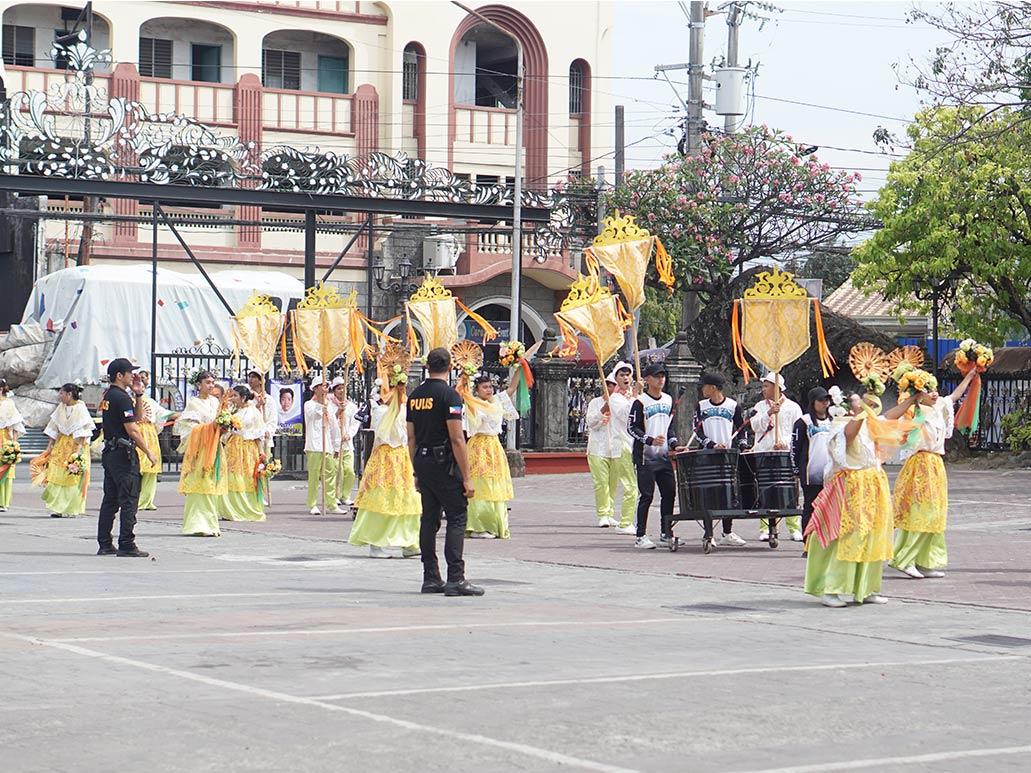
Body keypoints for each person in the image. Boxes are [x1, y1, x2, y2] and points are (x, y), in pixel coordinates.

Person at [804, 389, 919, 607]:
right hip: (851, 486)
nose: (865, 405)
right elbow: (849, 435)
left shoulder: (870, 422)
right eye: (858, 402)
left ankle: (868, 588)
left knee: (874, 534)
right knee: (849, 536)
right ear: (847, 406)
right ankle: (832, 588)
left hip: (874, 483)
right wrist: (862, 412)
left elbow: (891, 415)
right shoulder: (840, 423)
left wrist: (913, 398)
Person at [407, 347, 483, 596]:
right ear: (450, 366)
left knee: (429, 519)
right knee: (457, 515)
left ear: (427, 366)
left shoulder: (415, 396)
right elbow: (457, 438)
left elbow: (411, 438)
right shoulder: (450, 396)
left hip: (422, 460)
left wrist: (415, 471)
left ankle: (430, 577)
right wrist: (468, 477)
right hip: (444, 462)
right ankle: (456, 578)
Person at [890, 369, 977, 580]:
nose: (934, 393)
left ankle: (925, 561)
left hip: (935, 464)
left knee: (936, 513)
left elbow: (955, 395)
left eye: (935, 389)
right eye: (928, 390)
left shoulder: (938, 407)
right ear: (919, 393)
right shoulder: (912, 411)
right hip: (920, 465)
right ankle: (905, 559)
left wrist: (970, 376)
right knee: (921, 513)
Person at [348, 359, 421, 558]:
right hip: (384, 459)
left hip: (402, 458)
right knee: (381, 500)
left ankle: (409, 542)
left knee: (406, 499)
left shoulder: (405, 408)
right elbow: (387, 430)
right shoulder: (377, 409)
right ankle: (376, 543)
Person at [97, 359, 157, 557]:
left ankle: (105, 543)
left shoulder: (112, 395)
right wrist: (148, 451)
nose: (134, 376)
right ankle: (126, 544)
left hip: (112, 453)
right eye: (130, 373)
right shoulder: (120, 397)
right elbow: (132, 429)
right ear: (119, 376)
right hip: (123, 455)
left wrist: (138, 394)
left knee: (111, 499)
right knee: (129, 499)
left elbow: (137, 418)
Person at [627, 362, 679, 550]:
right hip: (645, 457)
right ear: (647, 379)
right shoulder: (640, 402)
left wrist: (673, 443)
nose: (661, 379)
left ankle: (666, 533)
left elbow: (670, 427)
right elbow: (631, 428)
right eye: (657, 376)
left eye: (663, 376)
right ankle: (640, 535)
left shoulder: (668, 400)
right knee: (647, 496)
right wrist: (648, 440)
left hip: (664, 456)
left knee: (669, 493)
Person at [462, 373, 519, 539]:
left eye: (490, 387)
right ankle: (479, 525)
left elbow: (512, 388)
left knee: (494, 483)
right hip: (478, 446)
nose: (488, 390)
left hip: (494, 446)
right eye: (484, 387)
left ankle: (495, 524)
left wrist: (519, 366)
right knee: (480, 483)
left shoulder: (497, 401)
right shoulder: (473, 404)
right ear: (477, 390)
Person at [749, 372, 804, 541]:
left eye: (766, 386)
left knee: (790, 490)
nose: (763, 389)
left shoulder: (793, 407)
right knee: (764, 489)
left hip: (785, 453)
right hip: (765, 451)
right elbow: (754, 426)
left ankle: (794, 527)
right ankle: (765, 527)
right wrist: (768, 413)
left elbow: (797, 431)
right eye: (763, 386)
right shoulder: (760, 406)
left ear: (777, 387)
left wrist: (785, 442)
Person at [693, 372, 746, 547]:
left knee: (728, 493)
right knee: (708, 494)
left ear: (713, 388)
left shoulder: (732, 406)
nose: (702, 389)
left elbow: (741, 427)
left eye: (704, 386)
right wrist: (711, 444)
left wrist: (742, 445)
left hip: (727, 456)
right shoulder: (701, 406)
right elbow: (697, 430)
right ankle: (708, 533)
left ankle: (727, 532)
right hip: (707, 456)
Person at [585, 361, 638, 533]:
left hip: (614, 448)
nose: (611, 387)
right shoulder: (597, 402)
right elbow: (591, 423)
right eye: (609, 385)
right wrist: (603, 410)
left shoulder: (625, 399)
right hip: (598, 448)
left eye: (613, 385)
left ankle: (610, 512)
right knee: (601, 484)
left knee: (613, 483)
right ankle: (602, 514)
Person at [175, 370, 225, 537]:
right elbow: (190, 428)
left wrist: (224, 427)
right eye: (208, 382)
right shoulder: (193, 403)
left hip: (215, 446)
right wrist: (211, 427)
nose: (211, 385)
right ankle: (197, 523)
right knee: (200, 483)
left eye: (212, 382)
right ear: (199, 385)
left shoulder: (215, 402)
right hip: (201, 448)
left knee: (212, 483)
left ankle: (211, 523)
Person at [40, 383, 94, 518]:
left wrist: (78, 454)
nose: (60, 396)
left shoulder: (81, 409)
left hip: (76, 445)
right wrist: (49, 447)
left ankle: (71, 508)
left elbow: (83, 432)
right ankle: (58, 507)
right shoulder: (61, 408)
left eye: (62, 393)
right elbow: (54, 427)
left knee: (72, 475)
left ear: (69, 394)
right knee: (57, 472)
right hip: (62, 444)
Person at [792, 386, 835, 554]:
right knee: (810, 508)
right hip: (811, 473)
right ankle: (808, 544)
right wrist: (796, 470)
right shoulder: (804, 422)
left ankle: (826, 542)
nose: (825, 403)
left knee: (829, 508)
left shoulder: (834, 420)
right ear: (813, 402)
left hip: (831, 473)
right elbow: (795, 447)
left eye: (827, 400)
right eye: (821, 400)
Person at [222, 385, 267, 523]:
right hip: (233, 447)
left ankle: (247, 509)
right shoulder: (234, 411)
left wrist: (261, 452)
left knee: (245, 476)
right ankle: (231, 509)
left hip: (247, 448)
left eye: (235, 396)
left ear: (243, 397)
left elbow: (259, 434)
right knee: (232, 476)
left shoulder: (253, 412)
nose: (233, 398)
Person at [135, 370, 176, 511]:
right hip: (136, 433)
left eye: (143, 379)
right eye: (138, 379)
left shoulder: (151, 401)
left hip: (150, 434)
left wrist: (184, 415)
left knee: (150, 468)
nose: (141, 382)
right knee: (137, 467)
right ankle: (135, 499)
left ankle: (147, 500)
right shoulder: (128, 400)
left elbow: (164, 413)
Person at [304, 374, 342, 515]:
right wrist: (322, 403)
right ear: (316, 388)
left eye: (327, 386)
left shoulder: (330, 406)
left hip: (327, 445)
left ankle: (331, 503)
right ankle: (312, 504)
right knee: (314, 476)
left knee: (330, 474)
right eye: (324, 386)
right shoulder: (309, 405)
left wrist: (336, 445)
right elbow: (314, 415)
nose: (326, 389)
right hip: (314, 445)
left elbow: (333, 426)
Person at [248, 370, 278, 507]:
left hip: (264, 439)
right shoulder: (247, 398)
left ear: (261, 381)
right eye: (250, 377)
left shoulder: (269, 400)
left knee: (263, 466)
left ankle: (262, 493)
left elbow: (272, 419)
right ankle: (251, 493)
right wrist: (257, 405)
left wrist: (268, 431)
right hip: (250, 437)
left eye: (254, 377)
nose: (251, 379)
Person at [331, 377, 360, 507]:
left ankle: (346, 495)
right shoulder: (330, 405)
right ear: (334, 391)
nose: (341, 390)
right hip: (335, 444)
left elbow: (355, 422)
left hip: (347, 444)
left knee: (349, 471)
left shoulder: (352, 406)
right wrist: (338, 412)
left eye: (343, 387)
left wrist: (349, 434)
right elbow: (329, 422)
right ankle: (335, 495)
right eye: (338, 388)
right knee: (338, 470)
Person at [0, 378, 26, 512]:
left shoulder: (9, 404)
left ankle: (3, 502)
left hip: (5, 439)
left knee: (6, 471)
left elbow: (17, 425)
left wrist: (14, 444)